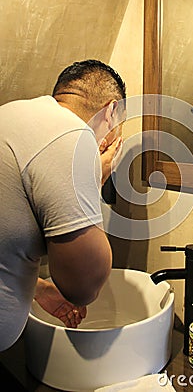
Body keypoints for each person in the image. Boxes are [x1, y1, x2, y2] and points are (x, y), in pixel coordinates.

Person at [0, 59, 126, 351]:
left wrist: (37, 288)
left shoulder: (13, 112)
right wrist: (95, 178)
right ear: (111, 112)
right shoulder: (73, 136)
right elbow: (84, 285)